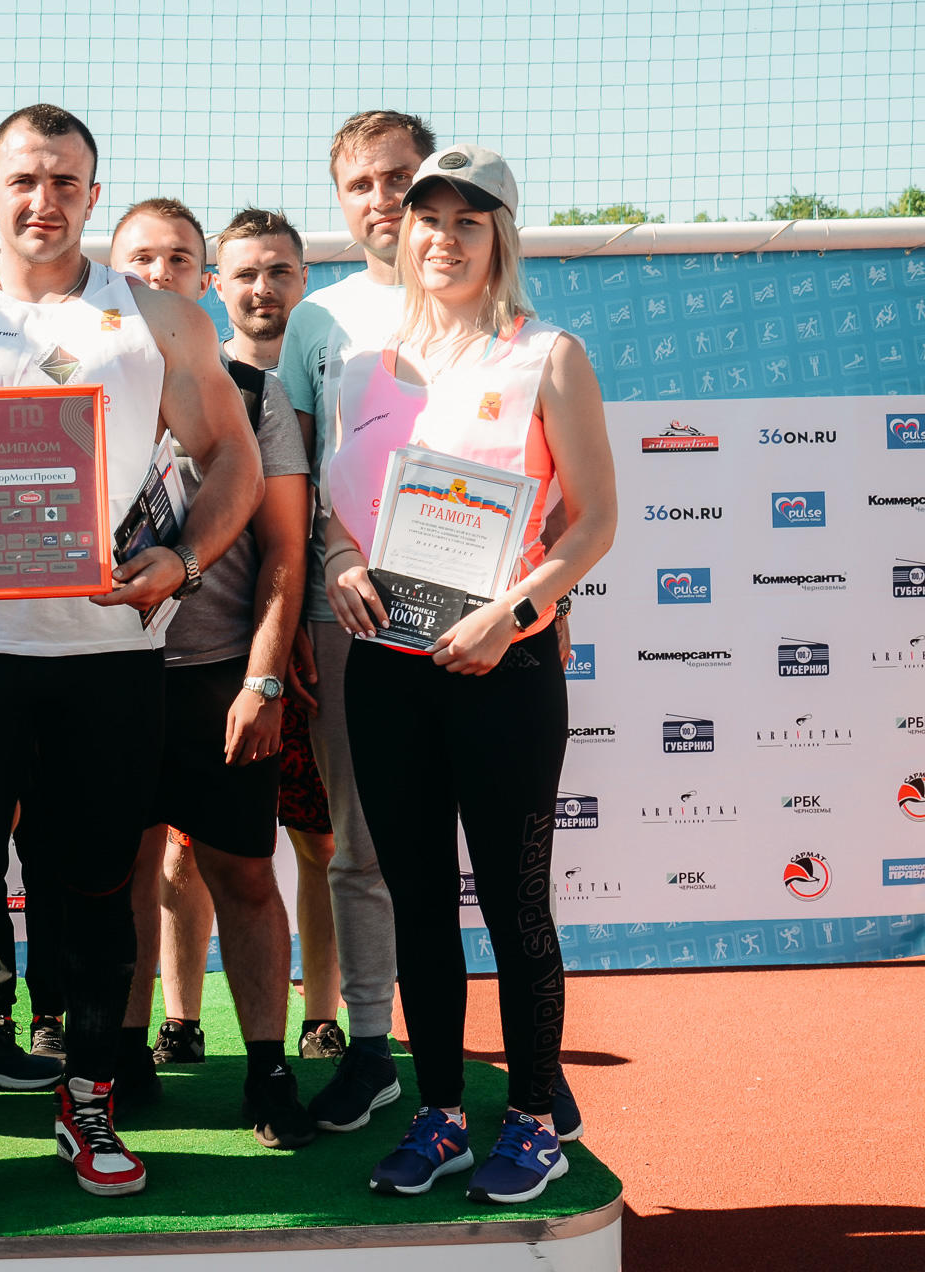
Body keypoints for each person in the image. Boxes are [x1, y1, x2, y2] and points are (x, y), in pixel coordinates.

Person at [0, 104, 264, 1228]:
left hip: (108, 661)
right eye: (24, 179)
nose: (45, 199)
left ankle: (90, 1101)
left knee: (94, 894)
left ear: (92, 192)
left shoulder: (158, 317)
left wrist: (183, 558)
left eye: (66, 180)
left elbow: (233, 457)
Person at [321, 145, 615, 1204]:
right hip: (387, 670)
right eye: (427, 217)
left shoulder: (548, 355)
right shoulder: (363, 365)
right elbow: (337, 514)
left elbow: (594, 522)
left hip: (504, 667)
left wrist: (513, 615)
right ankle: (440, 1112)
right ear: (401, 232)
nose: (442, 238)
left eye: (468, 221)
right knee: (416, 906)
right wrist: (341, 563)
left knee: (513, 906)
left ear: (501, 238)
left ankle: (533, 1118)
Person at [107, 198, 317, 1148]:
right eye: (139, 259)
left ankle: (268, 1067)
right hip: (103, 672)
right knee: (120, 873)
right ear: (112, 272)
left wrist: (262, 681)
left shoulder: (254, 394)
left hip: (217, 676)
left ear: (204, 279)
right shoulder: (72, 380)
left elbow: (285, 554)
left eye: (178, 260)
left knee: (242, 873)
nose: (159, 275)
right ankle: (121, 1057)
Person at [275, 110, 431, 1134]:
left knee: (489, 843)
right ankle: (370, 1048)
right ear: (341, 199)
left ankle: (515, 1064)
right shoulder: (318, 321)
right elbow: (294, 476)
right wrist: (302, 597)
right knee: (359, 847)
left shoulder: (500, 313)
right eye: (362, 184)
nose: (383, 199)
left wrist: (548, 599)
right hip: (351, 605)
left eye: (400, 178)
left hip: (478, 615)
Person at [210, 208, 343, 1066]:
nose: (264, 289)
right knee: (191, 853)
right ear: (217, 287)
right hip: (219, 646)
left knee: (322, 842)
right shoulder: (193, 378)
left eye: (280, 271)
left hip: (321, 636)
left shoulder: (339, 374)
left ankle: (324, 1014)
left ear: (304, 279)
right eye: (246, 274)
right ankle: (180, 1019)